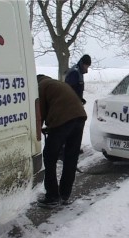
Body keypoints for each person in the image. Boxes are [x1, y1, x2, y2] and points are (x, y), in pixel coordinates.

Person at [37, 74, 87, 207]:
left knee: (49, 156)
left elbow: (39, 113)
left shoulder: (41, 87)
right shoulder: (56, 84)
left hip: (64, 120)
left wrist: (36, 133)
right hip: (80, 117)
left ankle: (52, 196)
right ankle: (64, 195)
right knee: (70, 157)